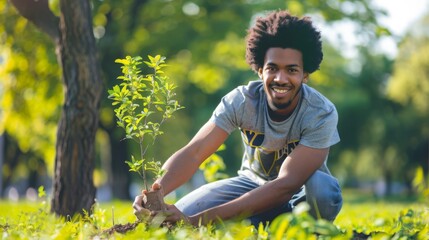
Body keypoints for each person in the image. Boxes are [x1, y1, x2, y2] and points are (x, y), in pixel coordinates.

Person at [133, 10, 342, 227]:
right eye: (272, 68)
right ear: (260, 70)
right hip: (250, 185)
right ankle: (261, 221)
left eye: (291, 70)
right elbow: (194, 152)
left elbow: (286, 185)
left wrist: (197, 221)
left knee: (323, 189)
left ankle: (308, 228)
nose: (281, 78)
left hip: (300, 193)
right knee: (182, 212)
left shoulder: (320, 113)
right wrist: (156, 193)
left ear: (305, 75)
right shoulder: (242, 101)